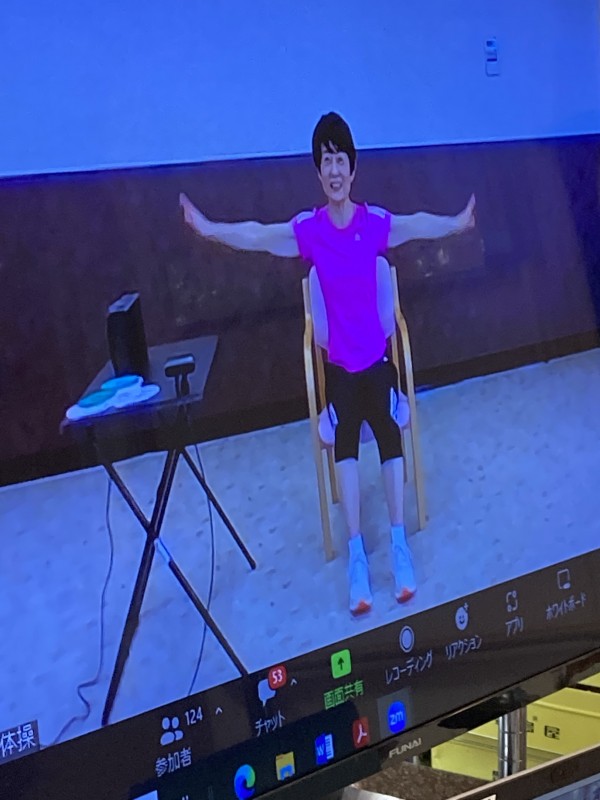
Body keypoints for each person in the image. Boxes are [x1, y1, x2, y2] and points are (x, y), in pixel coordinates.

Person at [180, 112, 475, 617]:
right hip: (339, 371)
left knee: (388, 431)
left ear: (353, 169)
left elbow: (416, 225)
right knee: (345, 439)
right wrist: (208, 229)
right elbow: (257, 235)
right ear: (318, 172)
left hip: (378, 363)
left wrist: (456, 223)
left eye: (341, 160)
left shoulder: (373, 223)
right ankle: (357, 554)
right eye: (325, 161)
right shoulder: (310, 231)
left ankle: (398, 545)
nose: (334, 170)